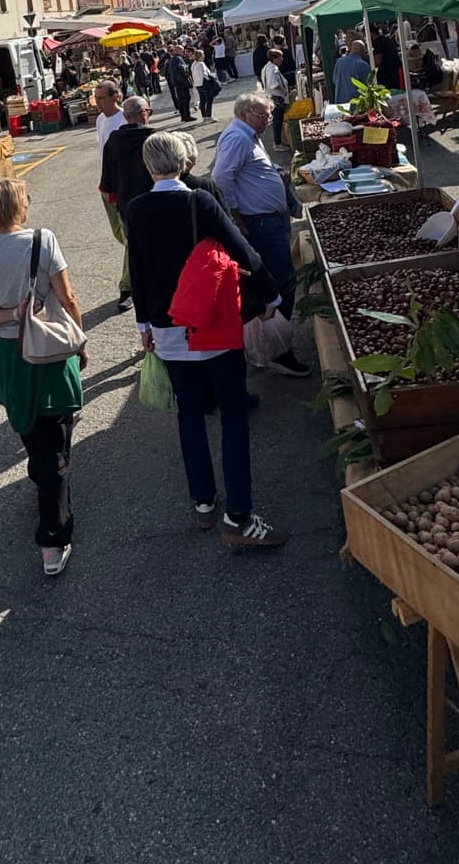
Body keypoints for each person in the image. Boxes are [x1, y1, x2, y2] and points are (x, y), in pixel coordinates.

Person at [126, 132, 287, 549]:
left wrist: (144, 326)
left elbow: (138, 271)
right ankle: (240, 517)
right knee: (233, 414)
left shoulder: (137, 209)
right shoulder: (199, 202)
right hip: (212, 323)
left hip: (166, 327)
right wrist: (270, 293)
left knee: (189, 414)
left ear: (149, 167)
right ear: (183, 163)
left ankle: (202, 503)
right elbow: (242, 249)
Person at [0, 179, 85, 575]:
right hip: (48, 346)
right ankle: (53, 535)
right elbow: (67, 297)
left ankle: (45, 482)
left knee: (32, 430)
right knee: (57, 440)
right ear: (21, 206)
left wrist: (11, 315)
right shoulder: (43, 241)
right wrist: (80, 341)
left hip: (10, 353)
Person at [211, 94, 308, 370]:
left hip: (270, 220)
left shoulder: (247, 134)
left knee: (276, 281)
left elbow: (246, 171)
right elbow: (221, 179)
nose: (267, 121)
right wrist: (236, 218)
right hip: (260, 223)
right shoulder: (238, 138)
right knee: (281, 283)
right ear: (244, 113)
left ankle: (270, 343)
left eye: (268, 115)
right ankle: (278, 349)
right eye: (261, 116)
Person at [94, 80, 131, 309]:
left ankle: (127, 287)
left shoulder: (124, 119)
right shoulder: (100, 120)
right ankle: (138, 266)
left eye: (102, 98)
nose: (98, 103)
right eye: (96, 98)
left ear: (115, 96)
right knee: (120, 235)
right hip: (105, 186)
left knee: (128, 238)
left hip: (121, 187)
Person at [101, 95, 154, 228]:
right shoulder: (154, 139)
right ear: (143, 113)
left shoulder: (113, 141)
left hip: (128, 208)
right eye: (149, 111)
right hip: (156, 203)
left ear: (125, 116)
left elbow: (107, 183)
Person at [260, 48, 291, 149]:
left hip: (271, 96)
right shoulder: (273, 68)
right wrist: (283, 91)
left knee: (277, 120)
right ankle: (277, 143)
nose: (282, 59)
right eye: (280, 57)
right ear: (274, 58)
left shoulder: (266, 68)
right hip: (276, 97)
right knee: (278, 120)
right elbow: (274, 84)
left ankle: (278, 142)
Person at [333, 38, 372, 106]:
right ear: (363, 50)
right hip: (357, 105)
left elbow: (334, 80)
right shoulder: (363, 65)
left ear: (351, 48)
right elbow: (367, 87)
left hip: (340, 103)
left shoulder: (339, 62)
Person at [166, 48, 194, 122]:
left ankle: (183, 116)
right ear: (177, 51)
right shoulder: (177, 59)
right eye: (181, 50)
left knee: (181, 99)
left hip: (176, 83)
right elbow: (180, 70)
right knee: (185, 98)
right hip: (181, 82)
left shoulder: (172, 59)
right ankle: (187, 116)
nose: (183, 52)